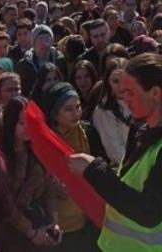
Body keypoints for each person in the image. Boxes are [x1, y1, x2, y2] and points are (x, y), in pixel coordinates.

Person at [69, 53, 162, 251]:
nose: (123, 97)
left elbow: (149, 211)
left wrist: (94, 170)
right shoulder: (139, 130)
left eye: (131, 92)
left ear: (155, 92)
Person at [35, 83, 101, 250]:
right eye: (68, 109)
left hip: (87, 220)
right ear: (55, 113)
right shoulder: (44, 141)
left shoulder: (88, 132)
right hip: (57, 223)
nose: (76, 113)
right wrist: (49, 186)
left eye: (78, 107)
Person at [0, 96, 62, 249]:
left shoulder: (37, 149)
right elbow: (5, 200)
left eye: (30, 122)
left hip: (38, 221)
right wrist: (30, 232)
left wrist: (54, 220)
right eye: (21, 123)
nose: (27, 127)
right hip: (11, 232)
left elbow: (48, 185)